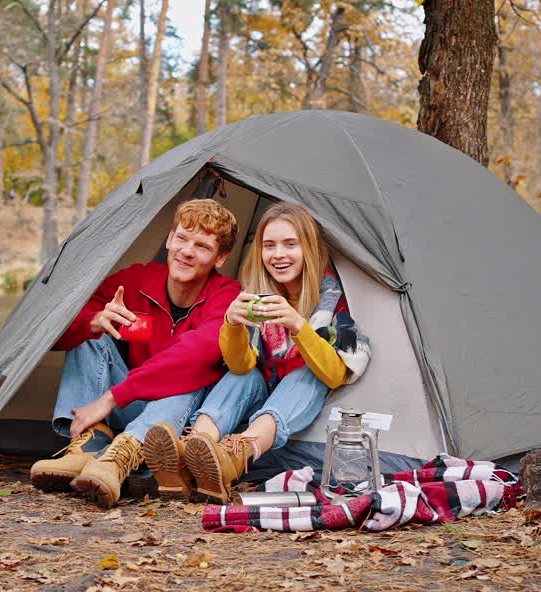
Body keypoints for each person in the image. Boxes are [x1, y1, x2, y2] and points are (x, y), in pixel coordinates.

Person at [141, 202, 371, 502]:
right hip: (258, 392)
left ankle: (235, 456)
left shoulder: (332, 299)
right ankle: (194, 451)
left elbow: (336, 373)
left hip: (298, 399)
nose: (278, 255)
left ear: (310, 249)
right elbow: (239, 365)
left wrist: (297, 326)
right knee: (245, 377)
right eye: (269, 246)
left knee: (308, 375)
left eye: (290, 245)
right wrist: (232, 324)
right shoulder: (259, 297)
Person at [30, 198, 241, 508]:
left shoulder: (226, 295)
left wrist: (111, 397)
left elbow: (196, 354)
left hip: (172, 425)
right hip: (131, 402)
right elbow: (52, 333)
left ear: (220, 258)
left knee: (188, 378)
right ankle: (88, 445)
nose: (186, 251)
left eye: (202, 246)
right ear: (169, 239)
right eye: (181, 238)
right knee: (93, 331)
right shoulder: (137, 280)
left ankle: (121, 458)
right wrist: (93, 321)